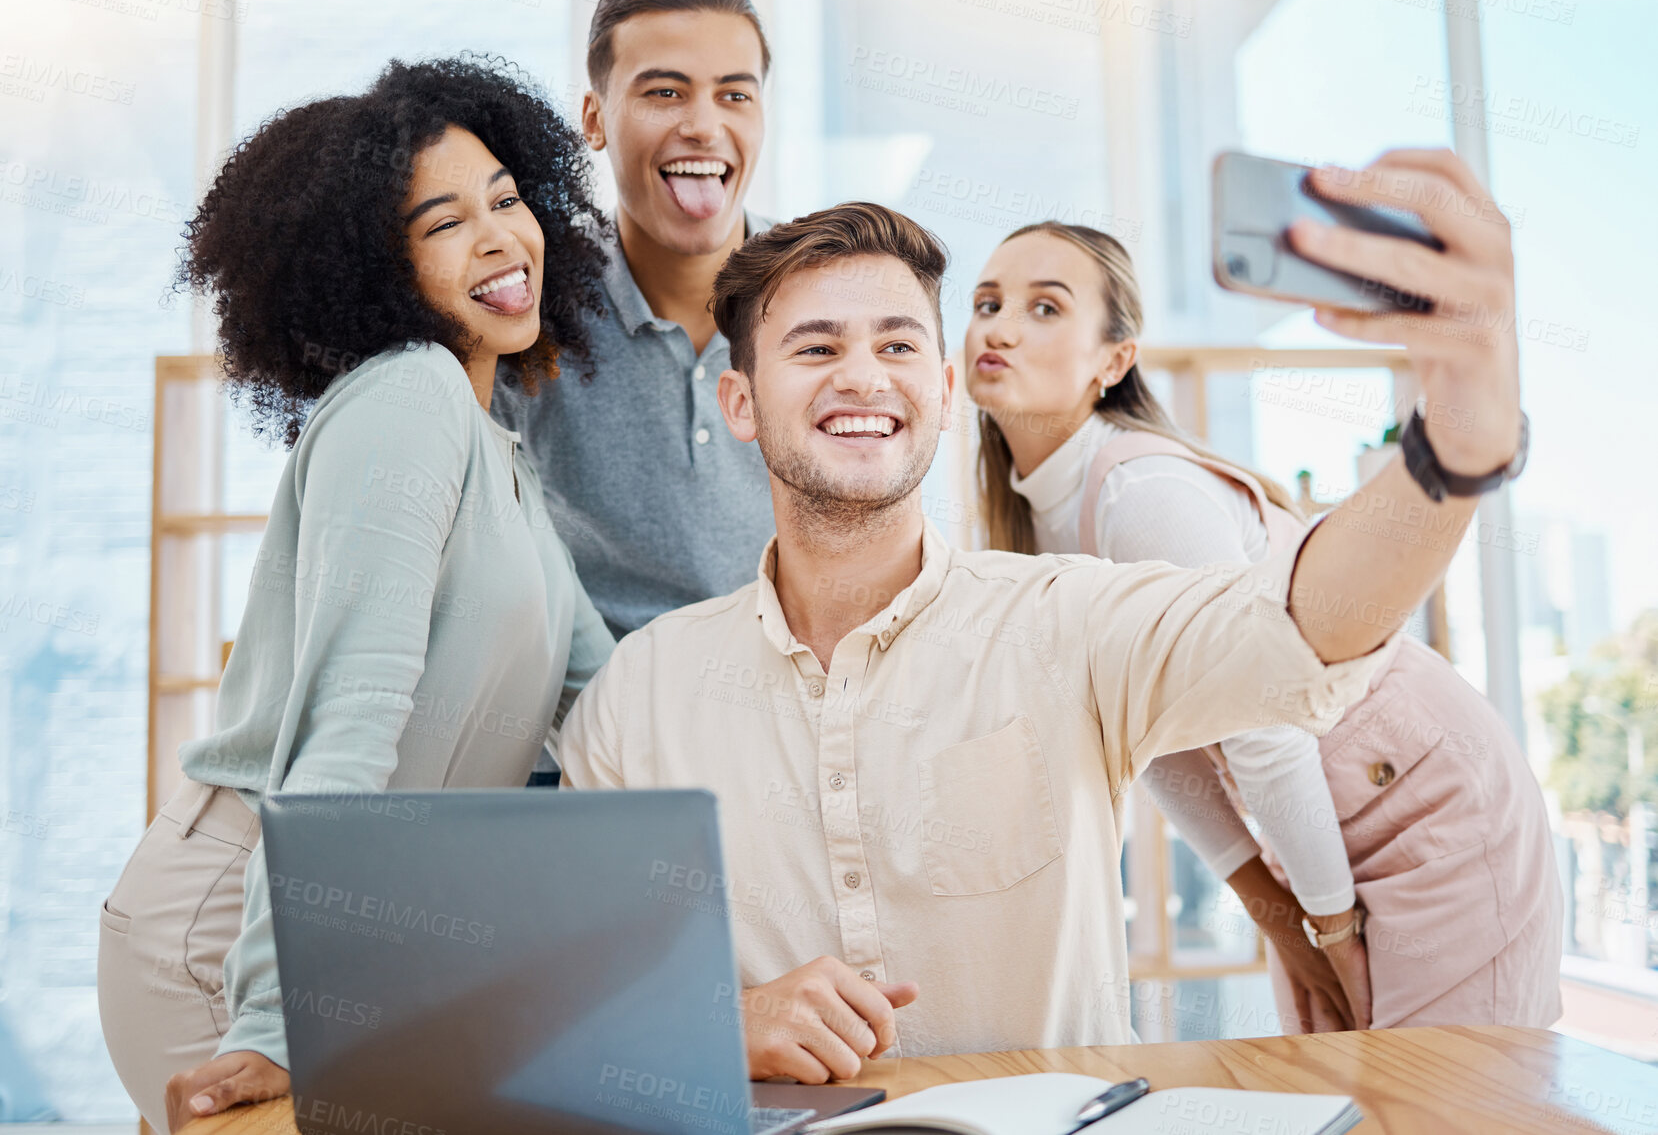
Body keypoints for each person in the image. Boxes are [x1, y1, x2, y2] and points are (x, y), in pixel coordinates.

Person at [559, 147, 1531, 1082]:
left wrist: (1459, 429)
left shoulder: (1066, 622)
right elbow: (573, 997)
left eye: (896, 345)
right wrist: (717, 1024)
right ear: (740, 401)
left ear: (942, 394)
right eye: (815, 348)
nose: (861, 376)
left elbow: (1302, 627)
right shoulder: (635, 697)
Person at [96, 56, 616, 1132]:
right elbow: (351, 721)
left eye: (506, 201)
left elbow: (606, 701)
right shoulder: (407, 399)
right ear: (371, 267)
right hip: (240, 935)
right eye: (443, 224)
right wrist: (276, 1024)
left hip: (352, 932)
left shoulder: (494, 447)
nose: (498, 240)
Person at [964, 220, 1562, 1034]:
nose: (997, 327)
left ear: (1114, 361)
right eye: (987, 302)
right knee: (1363, 1104)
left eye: (1044, 308)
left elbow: (1262, 716)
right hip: (1317, 831)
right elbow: (1158, 737)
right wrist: (1277, 907)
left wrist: (1330, 926)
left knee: (1443, 1109)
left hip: (1425, 800)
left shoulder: (1140, 495)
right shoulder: (1036, 527)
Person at [494, 0, 777, 646]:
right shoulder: (526, 304)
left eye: (734, 96)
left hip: (785, 715)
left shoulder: (818, 302)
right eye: (665, 93)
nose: (704, 126)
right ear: (594, 119)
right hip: (587, 720)